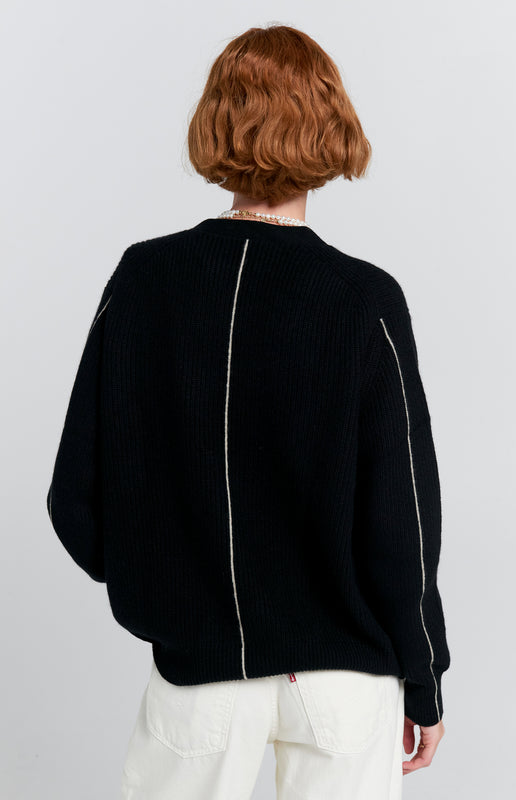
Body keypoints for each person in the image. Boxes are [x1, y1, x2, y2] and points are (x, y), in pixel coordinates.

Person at [46, 23, 451, 800]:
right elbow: (402, 521)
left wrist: (170, 590)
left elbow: (76, 498)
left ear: (215, 122)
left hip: (198, 675)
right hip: (342, 679)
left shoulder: (142, 280)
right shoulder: (363, 300)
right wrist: (423, 676)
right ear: (331, 126)